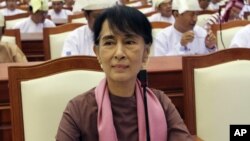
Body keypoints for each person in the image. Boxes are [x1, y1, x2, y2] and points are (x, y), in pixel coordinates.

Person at [56, 5, 192, 141]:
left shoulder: (161, 103)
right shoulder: (78, 110)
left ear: (145, 53)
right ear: (97, 53)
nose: (119, 53)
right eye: (109, 43)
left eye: (129, 42)